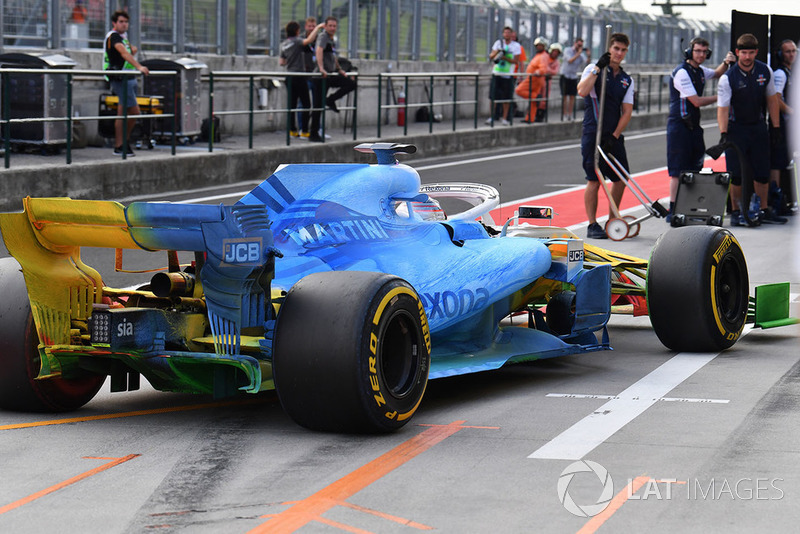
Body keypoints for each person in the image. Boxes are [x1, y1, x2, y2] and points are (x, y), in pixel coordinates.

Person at [716, 33, 785, 225]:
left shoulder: (765, 71)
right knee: (736, 174)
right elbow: (722, 108)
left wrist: (776, 127)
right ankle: (737, 211)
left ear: (756, 52)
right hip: (736, 129)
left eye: (751, 53)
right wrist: (723, 134)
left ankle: (763, 209)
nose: (747, 57)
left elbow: (772, 100)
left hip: (758, 128)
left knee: (762, 172)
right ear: (737, 53)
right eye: (743, 53)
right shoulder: (728, 78)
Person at [665, 38, 735, 222]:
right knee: (677, 170)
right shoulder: (682, 73)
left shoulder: (700, 70)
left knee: (696, 165)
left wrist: (726, 62)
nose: (701, 55)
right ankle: (673, 209)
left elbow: (718, 73)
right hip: (679, 126)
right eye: (697, 51)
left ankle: (689, 205)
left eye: (704, 52)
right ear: (690, 51)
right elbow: (695, 101)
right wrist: (720, 96)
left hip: (694, 125)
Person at [577, 33, 634, 239]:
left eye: (623, 50)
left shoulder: (627, 79)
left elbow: (627, 111)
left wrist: (615, 135)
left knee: (621, 177)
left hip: (613, 135)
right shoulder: (594, 70)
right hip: (593, 131)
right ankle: (592, 224)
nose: (619, 53)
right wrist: (597, 67)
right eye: (616, 49)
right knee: (594, 179)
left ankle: (612, 220)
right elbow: (582, 91)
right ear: (610, 48)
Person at [103, 10, 149, 156]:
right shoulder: (114, 36)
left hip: (128, 78)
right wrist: (139, 66)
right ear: (114, 23)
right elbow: (122, 53)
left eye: (126, 22)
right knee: (134, 112)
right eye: (121, 22)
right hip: (120, 79)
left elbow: (125, 54)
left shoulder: (123, 37)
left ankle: (120, 145)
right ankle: (123, 142)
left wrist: (132, 51)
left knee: (122, 112)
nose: (124, 24)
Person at [309, 16, 356, 142]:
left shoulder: (331, 39)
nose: (332, 28)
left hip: (330, 75)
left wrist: (339, 69)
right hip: (321, 76)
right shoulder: (323, 36)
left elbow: (332, 56)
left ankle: (330, 100)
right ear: (325, 26)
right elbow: (319, 50)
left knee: (351, 84)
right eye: (330, 25)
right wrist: (321, 68)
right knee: (318, 105)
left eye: (334, 26)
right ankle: (313, 133)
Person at [279, 20, 323, 138]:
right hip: (299, 76)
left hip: (289, 76)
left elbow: (282, 62)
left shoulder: (283, 44)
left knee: (292, 105)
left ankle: (292, 130)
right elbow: (308, 41)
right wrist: (317, 28)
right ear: (298, 31)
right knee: (306, 104)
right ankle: (304, 131)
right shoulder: (298, 41)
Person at [769, 39, 796, 215]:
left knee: (786, 162)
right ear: (780, 54)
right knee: (777, 163)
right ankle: (776, 200)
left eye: (794, 51)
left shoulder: (791, 71)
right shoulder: (780, 74)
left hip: (790, 125)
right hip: (781, 125)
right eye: (788, 51)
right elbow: (776, 98)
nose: (792, 55)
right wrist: (791, 111)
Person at [515, 42, 560, 122]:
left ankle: (536, 98)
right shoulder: (542, 55)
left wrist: (538, 72)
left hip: (536, 78)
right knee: (534, 101)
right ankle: (530, 118)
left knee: (519, 90)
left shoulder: (544, 56)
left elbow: (544, 69)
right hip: (538, 79)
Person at [486, 27, 521, 126]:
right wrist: (498, 52)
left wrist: (505, 57)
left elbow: (516, 61)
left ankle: (505, 118)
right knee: (493, 96)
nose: (507, 34)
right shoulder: (498, 43)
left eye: (509, 33)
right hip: (497, 73)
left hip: (508, 75)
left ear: (512, 34)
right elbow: (491, 56)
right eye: (505, 32)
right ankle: (492, 116)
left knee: (506, 97)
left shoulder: (516, 46)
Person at [560, 38, 590, 121]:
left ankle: (570, 114)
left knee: (572, 97)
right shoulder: (567, 50)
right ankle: (564, 114)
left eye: (581, 45)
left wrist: (588, 55)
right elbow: (570, 60)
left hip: (573, 76)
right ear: (575, 43)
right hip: (565, 75)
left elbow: (586, 63)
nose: (579, 47)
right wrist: (578, 54)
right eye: (578, 45)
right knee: (565, 96)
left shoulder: (581, 55)